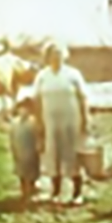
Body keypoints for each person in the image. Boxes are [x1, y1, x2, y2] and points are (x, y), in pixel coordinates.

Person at [32, 42, 90, 205]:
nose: (56, 58)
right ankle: (55, 191)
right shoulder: (43, 76)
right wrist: (38, 121)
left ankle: (77, 192)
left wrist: (86, 119)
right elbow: (36, 100)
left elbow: (83, 98)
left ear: (65, 56)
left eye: (59, 55)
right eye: (52, 55)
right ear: (47, 57)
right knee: (52, 154)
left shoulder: (73, 75)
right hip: (50, 120)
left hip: (71, 119)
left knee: (72, 154)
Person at [9, 95, 43, 201]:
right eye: (21, 109)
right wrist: (13, 148)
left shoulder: (33, 122)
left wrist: (38, 145)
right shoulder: (14, 123)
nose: (23, 111)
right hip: (19, 149)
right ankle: (23, 189)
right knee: (21, 171)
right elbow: (12, 136)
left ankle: (32, 187)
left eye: (26, 109)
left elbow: (38, 135)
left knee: (32, 170)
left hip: (31, 150)